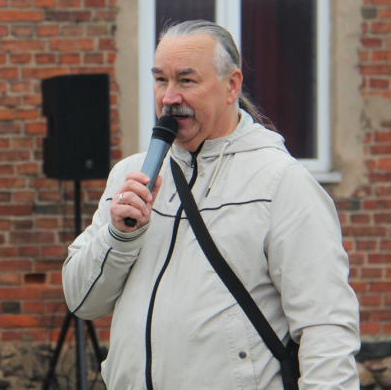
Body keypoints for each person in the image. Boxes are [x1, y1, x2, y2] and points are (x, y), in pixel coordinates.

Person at [62, 20, 360, 389]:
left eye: (186, 81)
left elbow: (326, 326)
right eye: (160, 80)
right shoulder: (131, 176)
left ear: (231, 85)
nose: (169, 97)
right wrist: (118, 237)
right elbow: (82, 301)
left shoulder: (281, 183)